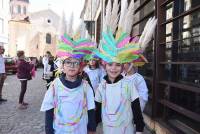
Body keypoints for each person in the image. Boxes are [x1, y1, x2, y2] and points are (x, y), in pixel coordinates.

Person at [40, 33, 96, 134]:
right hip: (60, 131)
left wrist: (91, 129)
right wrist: (49, 131)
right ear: (63, 66)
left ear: (80, 66)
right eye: (68, 62)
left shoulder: (86, 87)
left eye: (76, 62)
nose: (72, 66)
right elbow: (49, 109)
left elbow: (91, 109)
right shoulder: (55, 86)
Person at [94, 30, 145, 134]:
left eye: (117, 65)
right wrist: (92, 127)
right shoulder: (101, 86)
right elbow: (97, 110)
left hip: (127, 130)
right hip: (108, 130)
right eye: (110, 64)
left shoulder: (129, 85)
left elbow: (136, 109)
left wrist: (139, 129)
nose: (113, 68)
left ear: (122, 67)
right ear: (105, 66)